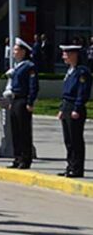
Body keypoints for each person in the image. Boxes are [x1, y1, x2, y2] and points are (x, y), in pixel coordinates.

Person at [4, 38, 39, 170]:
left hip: (23, 99)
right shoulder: (18, 67)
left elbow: (33, 86)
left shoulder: (29, 66)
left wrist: (30, 102)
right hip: (15, 99)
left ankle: (25, 158)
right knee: (15, 131)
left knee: (23, 130)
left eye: (16, 49)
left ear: (23, 51)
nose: (14, 52)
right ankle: (17, 157)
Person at [57, 45, 90, 178]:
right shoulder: (70, 70)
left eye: (66, 54)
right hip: (66, 106)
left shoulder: (82, 72)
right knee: (68, 140)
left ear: (74, 55)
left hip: (75, 107)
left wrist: (77, 108)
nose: (63, 56)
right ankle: (70, 166)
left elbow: (82, 92)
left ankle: (77, 168)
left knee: (76, 139)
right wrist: (61, 109)